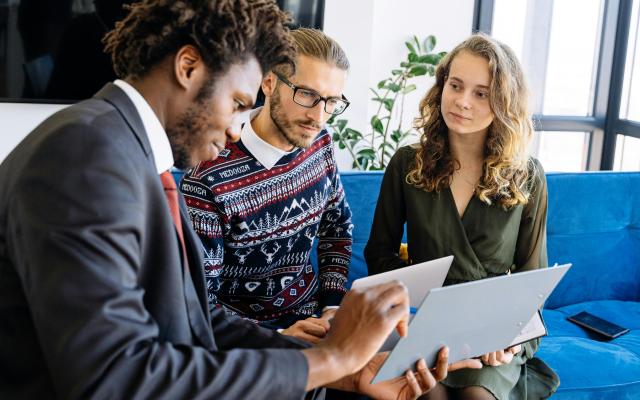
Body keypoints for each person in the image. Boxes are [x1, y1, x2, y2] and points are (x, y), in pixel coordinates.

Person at [0, 1, 480, 399]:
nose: (236, 127)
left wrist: (341, 371)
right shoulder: (85, 157)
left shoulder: (121, 150)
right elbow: (115, 377)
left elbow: (196, 320)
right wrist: (330, 359)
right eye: (236, 103)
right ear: (188, 68)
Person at [364, 34, 560, 400]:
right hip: (426, 324)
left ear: (503, 102)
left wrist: (509, 339)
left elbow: (532, 277)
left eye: (481, 93)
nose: (462, 102)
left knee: (477, 396)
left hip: (493, 329)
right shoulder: (408, 164)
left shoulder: (527, 174)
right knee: (427, 393)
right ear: (442, 86)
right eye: (455, 86)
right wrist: (410, 316)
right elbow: (379, 255)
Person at [181, 27, 352, 344]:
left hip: (315, 325)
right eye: (307, 95)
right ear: (269, 82)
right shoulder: (208, 178)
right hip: (248, 344)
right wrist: (279, 336)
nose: (319, 115)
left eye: (331, 102)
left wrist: (332, 306)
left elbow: (337, 228)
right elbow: (199, 301)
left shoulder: (320, 143)